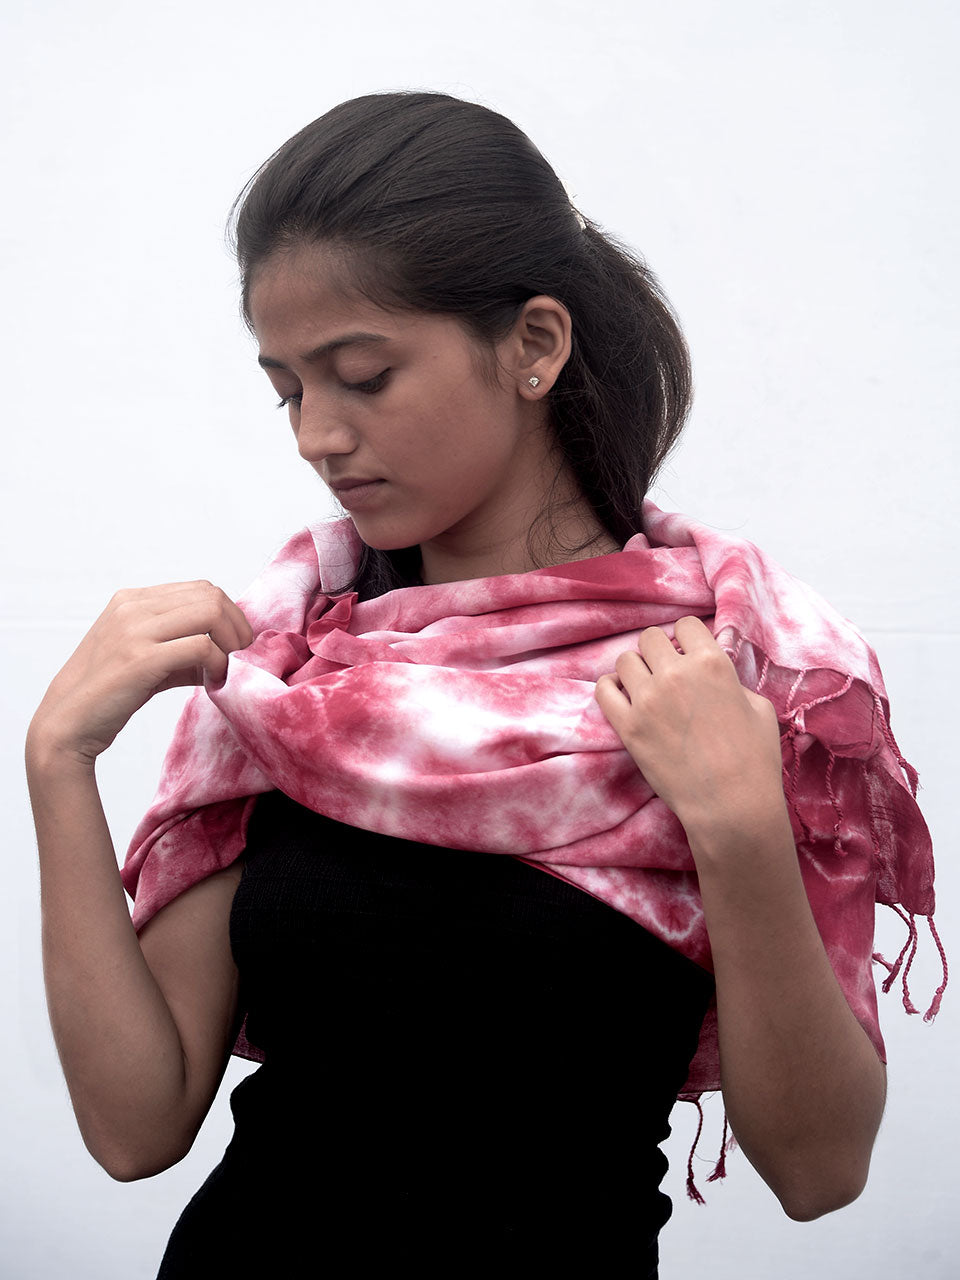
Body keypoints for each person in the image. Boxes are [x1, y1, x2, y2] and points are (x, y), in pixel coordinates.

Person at [25, 91, 937, 1278]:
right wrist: (57, 764)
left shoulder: (743, 677)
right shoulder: (290, 674)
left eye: (362, 374)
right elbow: (136, 1126)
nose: (315, 433)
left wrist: (743, 826)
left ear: (535, 345)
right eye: (289, 388)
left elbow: (820, 1171)